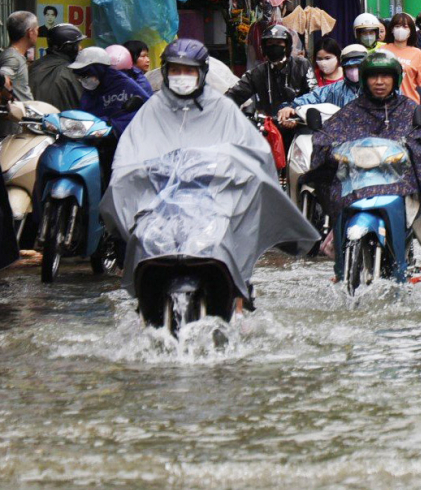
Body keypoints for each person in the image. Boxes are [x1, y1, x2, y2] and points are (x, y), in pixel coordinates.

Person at [107, 39, 313, 315]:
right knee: (145, 238)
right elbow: (128, 157)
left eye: (188, 71)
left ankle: (236, 293)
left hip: (214, 200)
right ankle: (148, 306)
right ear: (165, 72)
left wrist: (226, 168)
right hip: (160, 205)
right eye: (175, 71)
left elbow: (253, 155)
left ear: (202, 72)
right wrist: (139, 174)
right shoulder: (151, 109)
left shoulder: (223, 108)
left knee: (225, 237)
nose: (181, 77)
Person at [309, 50, 421, 279]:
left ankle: (404, 254)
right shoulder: (350, 112)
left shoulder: (408, 109)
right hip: (356, 183)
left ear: (395, 79)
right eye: (373, 76)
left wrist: (415, 148)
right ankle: (341, 261)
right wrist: (330, 149)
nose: (379, 82)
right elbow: (328, 135)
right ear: (364, 80)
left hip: (397, 182)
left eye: (385, 76)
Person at [227, 23, 314, 116]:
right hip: (270, 125)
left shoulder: (302, 65)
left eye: (279, 43)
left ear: (287, 46)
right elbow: (235, 94)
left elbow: (314, 94)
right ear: (264, 47)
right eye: (270, 43)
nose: (274, 47)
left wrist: (294, 109)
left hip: (300, 122)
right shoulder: (257, 73)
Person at [71, 45, 149, 138]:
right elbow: (85, 114)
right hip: (95, 139)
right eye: (80, 76)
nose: (83, 79)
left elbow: (145, 112)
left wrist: (113, 125)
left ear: (98, 70)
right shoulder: (91, 90)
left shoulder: (123, 84)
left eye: (87, 74)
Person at [382, 11, 421, 109]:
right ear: (391, 29)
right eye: (397, 26)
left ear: (410, 31)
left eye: (405, 27)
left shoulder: (416, 53)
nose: (400, 29)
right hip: (385, 104)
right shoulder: (382, 51)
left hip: (410, 105)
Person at [30, 22, 83, 112]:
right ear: (69, 47)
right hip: (64, 122)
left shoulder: (34, 66)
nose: (81, 48)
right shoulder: (72, 72)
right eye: (77, 44)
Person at [3, 10, 36, 103]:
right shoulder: (12, 57)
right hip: (18, 116)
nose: (38, 33)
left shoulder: (16, 55)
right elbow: (3, 76)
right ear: (30, 33)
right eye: (37, 29)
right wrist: (10, 98)